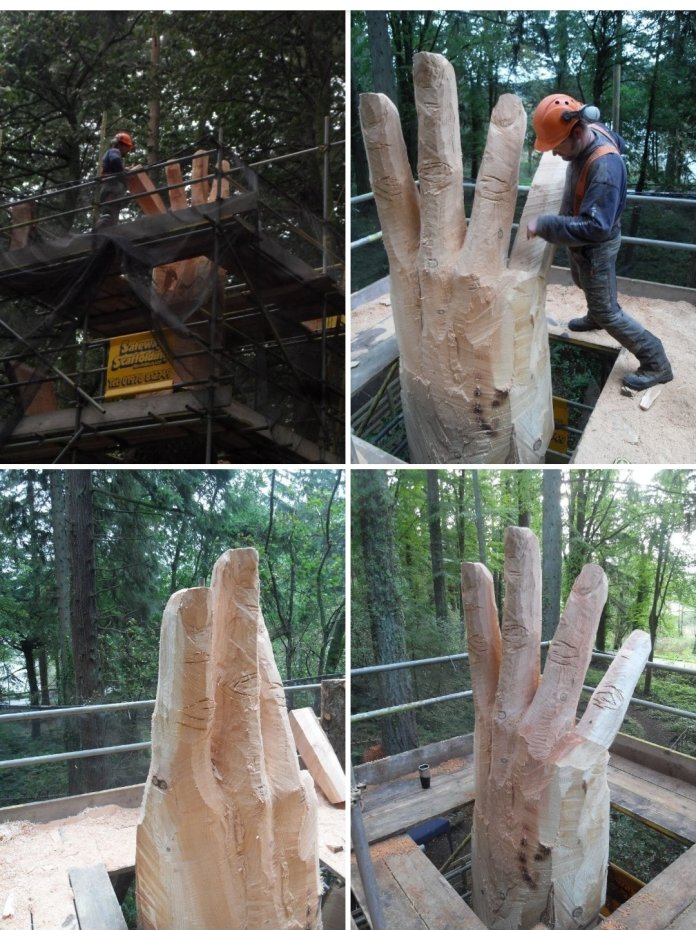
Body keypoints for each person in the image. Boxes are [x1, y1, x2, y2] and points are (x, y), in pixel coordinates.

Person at [527, 94, 672, 392]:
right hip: (582, 237)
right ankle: (595, 316)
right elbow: (620, 140)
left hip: (596, 244)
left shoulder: (605, 169)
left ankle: (655, 361)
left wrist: (545, 225)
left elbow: (595, 227)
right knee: (582, 280)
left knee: (608, 310)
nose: (554, 154)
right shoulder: (593, 129)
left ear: (578, 132)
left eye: (558, 146)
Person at [94, 131, 135, 230]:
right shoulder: (114, 151)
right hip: (111, 188)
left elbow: (115, 166)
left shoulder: (113, 154)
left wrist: (124, 170)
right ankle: (97, 233)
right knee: (108, 215)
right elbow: (115, 160)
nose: (127, 151)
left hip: (112, 189)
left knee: (112, 216)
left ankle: (108, 233)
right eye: (127, 148)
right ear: (120, 145)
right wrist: (123, 172)